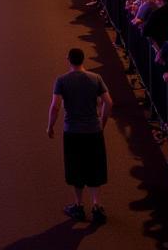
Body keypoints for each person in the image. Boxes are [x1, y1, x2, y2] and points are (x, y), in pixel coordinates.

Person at [47, 47, 112, 224]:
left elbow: (55, 106)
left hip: (73, 131)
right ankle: (97, 206)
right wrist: (102, 122)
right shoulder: (96, 78)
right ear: (83, 60)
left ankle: (78, 205)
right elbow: (108, 102)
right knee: (94, 166)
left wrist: (50, 126)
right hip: (93, 129)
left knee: (76, 167)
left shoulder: (61, 80)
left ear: (68, 60)